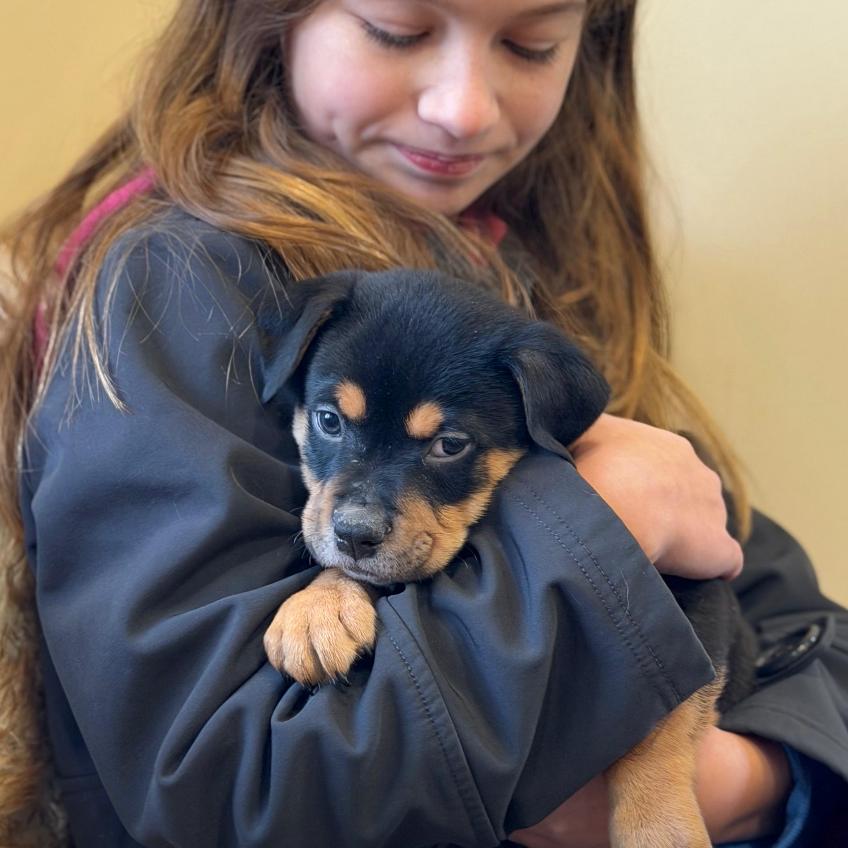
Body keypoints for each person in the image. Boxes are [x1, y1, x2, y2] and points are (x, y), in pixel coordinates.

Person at [0, 1, 845, 846]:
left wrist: (751, 781)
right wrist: (603, 521)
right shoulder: (181, 287)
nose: (463, 108)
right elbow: (232, 788)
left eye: (530, 44)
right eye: (397, 30)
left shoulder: (531, 278)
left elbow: (790, 620)